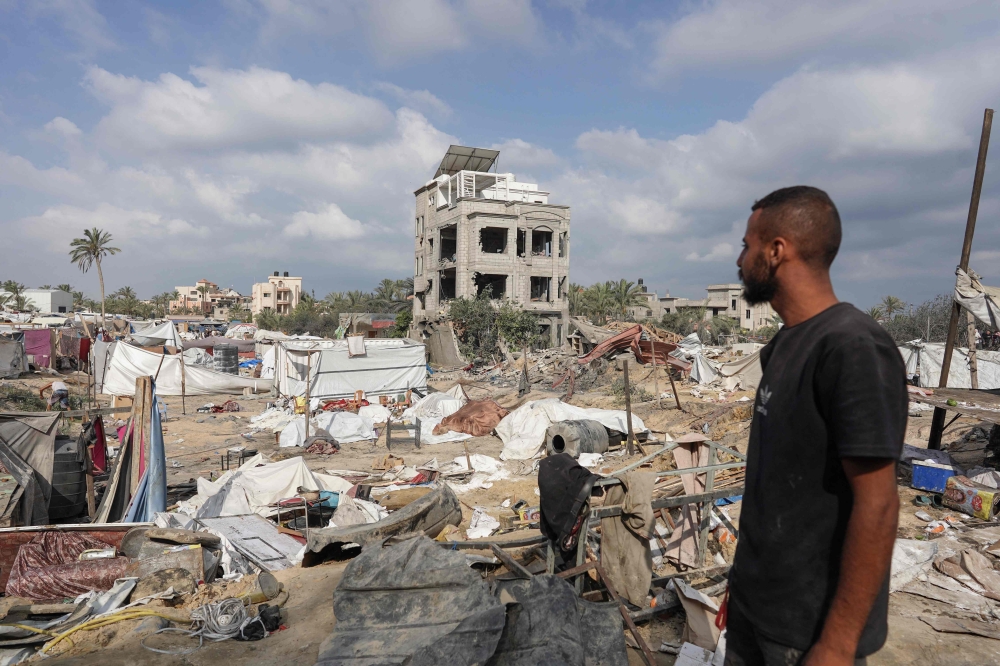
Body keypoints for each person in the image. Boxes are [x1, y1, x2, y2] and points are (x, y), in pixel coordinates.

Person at [726, 186, 905, 666]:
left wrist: (838, 644)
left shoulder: (853, 348)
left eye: (747, 245)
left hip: (807, 633)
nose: (739, 260)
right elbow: (775, 491)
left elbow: (879, 503)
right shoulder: (784, 345)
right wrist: (740, 590)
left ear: (777, 250)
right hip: (755, 611)